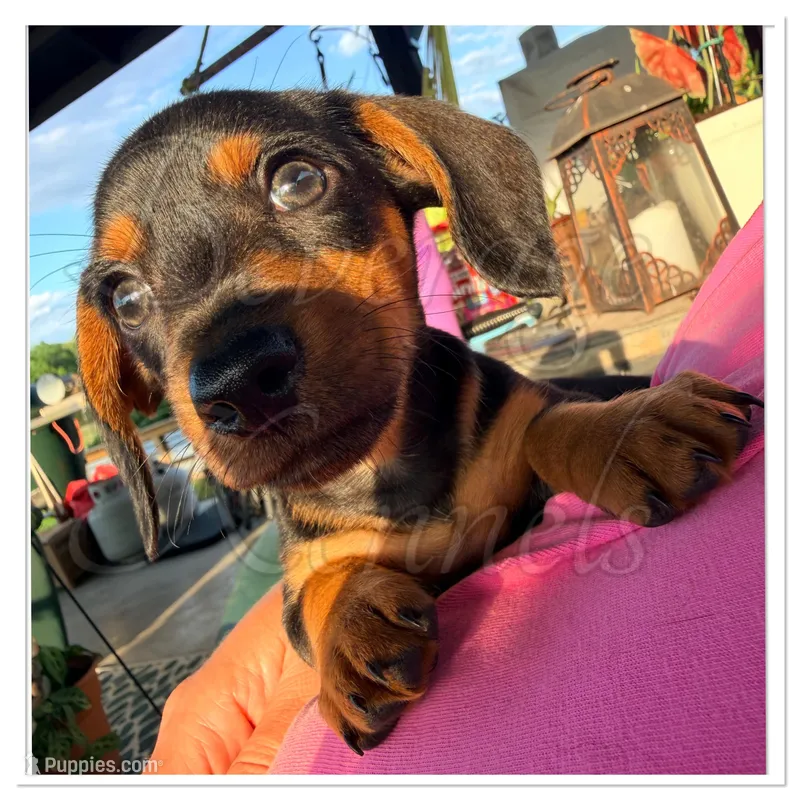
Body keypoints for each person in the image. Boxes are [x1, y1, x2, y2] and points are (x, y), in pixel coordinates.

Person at [149, 205, 764, 775]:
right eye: (132, 298)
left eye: (298, 184)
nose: (230, 365)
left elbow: (542, 424)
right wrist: (340, 602)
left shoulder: (488, 401)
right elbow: (307, 595)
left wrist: (581, 438)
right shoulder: (315, 533)